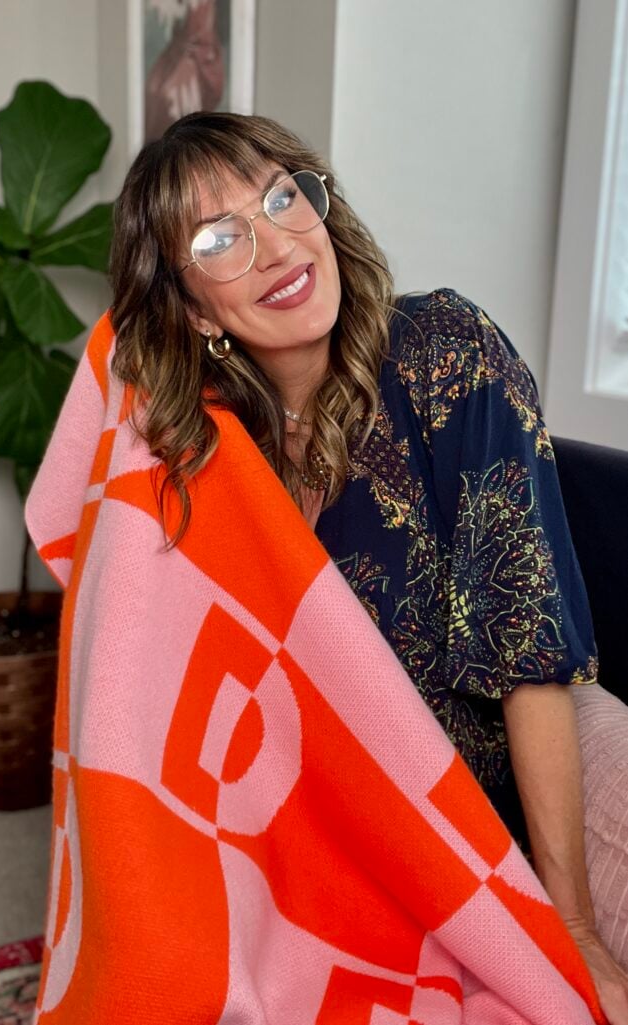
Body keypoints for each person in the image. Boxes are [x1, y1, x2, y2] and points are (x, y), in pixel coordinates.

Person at [102, 109, 628, 1023]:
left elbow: (527, 654)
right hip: (349, 823)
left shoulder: (443, 350)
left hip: (516, 757)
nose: (272, 246)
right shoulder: (212, 453)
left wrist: (570, 926)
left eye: (280, 197)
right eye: (221, 237)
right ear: (191, 310)